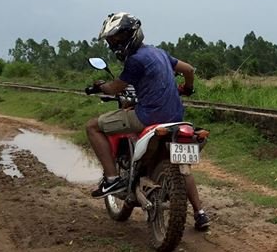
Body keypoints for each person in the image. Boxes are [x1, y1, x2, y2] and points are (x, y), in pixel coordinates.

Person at [84, 12, 210, 231]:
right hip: (176, 119)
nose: (116, 44)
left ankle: (112, 178)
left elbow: (116, 88)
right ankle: (200, 213)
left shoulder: (135, 61)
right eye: (112, 40)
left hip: (148, 117)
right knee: (182, 166)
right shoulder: (159, 53)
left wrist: (100, 86)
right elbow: (189, 70)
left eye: (118, 38)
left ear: (131, 35)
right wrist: (187, 88)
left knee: (93, 126)